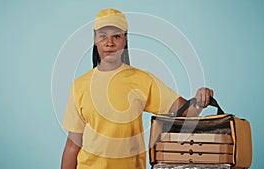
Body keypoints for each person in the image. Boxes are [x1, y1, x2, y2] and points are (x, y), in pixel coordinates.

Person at [61, 8, 214, 169]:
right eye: (103, 36)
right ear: (95, 39)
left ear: (125, 39)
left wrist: (199, 101)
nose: (109, 43)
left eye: (117, 36)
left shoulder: (142, 80)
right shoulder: (80, 85)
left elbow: (186, 112)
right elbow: (72, 146)